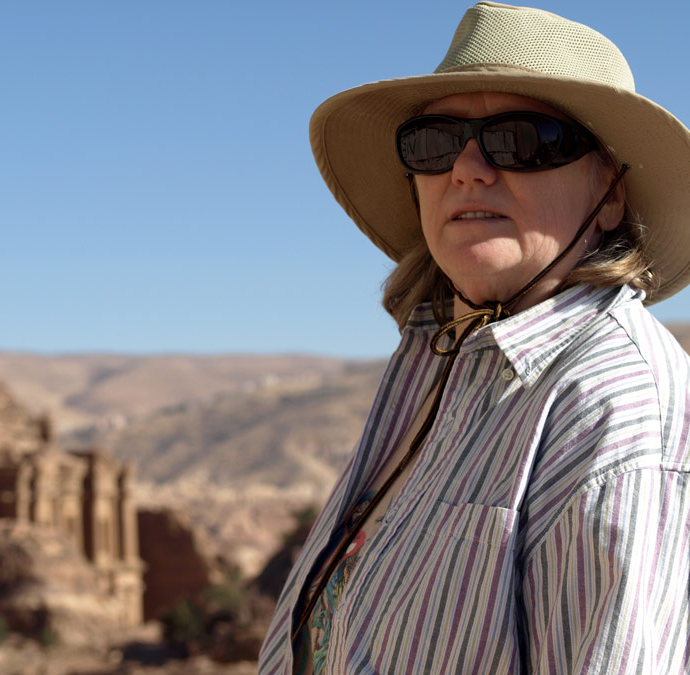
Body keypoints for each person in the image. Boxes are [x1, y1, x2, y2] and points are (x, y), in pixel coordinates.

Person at [258, 3, 690, 674]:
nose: (467, 169)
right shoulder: (440, 366)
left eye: (521, 139)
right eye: (434, 142)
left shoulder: (611, 401)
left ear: (611, 195)